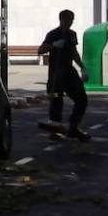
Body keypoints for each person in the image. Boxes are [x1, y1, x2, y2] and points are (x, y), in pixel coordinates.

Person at [37, 8, 90, 141]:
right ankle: (55, 130)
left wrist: (83, 68)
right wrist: (53, 45)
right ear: (61, 20)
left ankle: (73, 127)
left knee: (82, 99)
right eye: (67, 20)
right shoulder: (53, 34)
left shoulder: (72, 34)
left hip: (69, 73)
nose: (70, 23)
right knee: (55, 99)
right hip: (55, 74)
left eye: (72, 20)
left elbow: (74, 52)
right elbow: (40, 50)